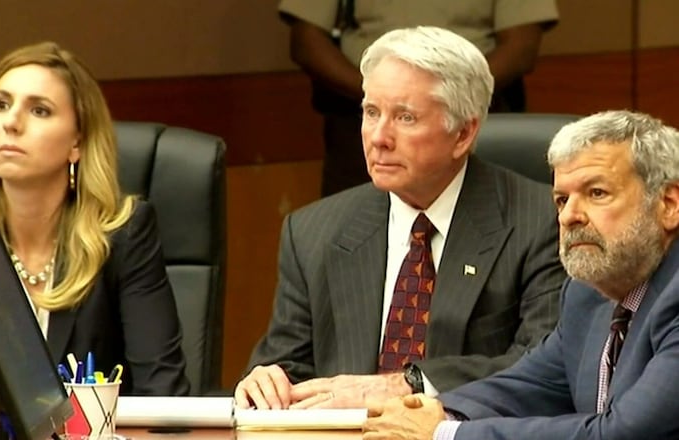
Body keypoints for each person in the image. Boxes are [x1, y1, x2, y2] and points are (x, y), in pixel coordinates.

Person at [235, 27, 565, 410]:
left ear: (463, 133)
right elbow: (286, 363)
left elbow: (544, 365)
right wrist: (265, 379)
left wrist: (410, 385)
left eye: (405, 118)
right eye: (371, 112)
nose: (379, 137)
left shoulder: (542, 223)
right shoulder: (313, 232)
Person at [362, 110, 679, 440]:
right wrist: (434, 411)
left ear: (669, 204)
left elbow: (627, 433)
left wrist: (447, 434)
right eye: (561, 199)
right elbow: (531, 385)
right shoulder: (587, 295)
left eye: (596, 193)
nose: (569, 216)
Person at [0, 42, 190, 417]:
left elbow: (162, 394)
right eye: (1, 104)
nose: (11, 122)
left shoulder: (122, 234)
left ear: (77, 142)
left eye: (39, 110)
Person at [278, 0, 559, 196]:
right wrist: (382, 97)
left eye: (408, 116)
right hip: (354, 111)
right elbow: (306, 41)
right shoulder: (306, 232)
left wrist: (452, 96)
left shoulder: (538, 220)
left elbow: (522, 46)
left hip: (467, 107)